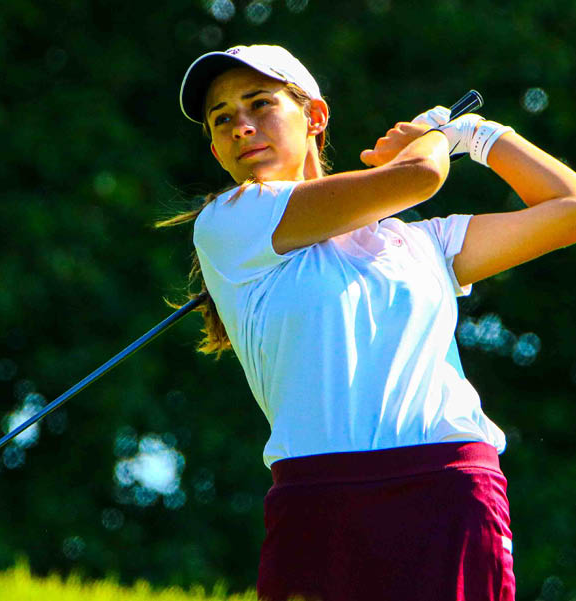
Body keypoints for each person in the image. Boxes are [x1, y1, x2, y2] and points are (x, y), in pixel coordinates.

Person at [156, 44, 576, 601]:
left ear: (315, 116)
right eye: (224, 118)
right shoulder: (229, 222)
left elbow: (568, 208)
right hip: (319, 500)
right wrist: (435, 135)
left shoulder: (423, 241)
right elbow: (422, 174)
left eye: (260, 104)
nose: (241, 126)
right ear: (214, 147)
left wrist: (481, 135)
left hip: (449, 487)